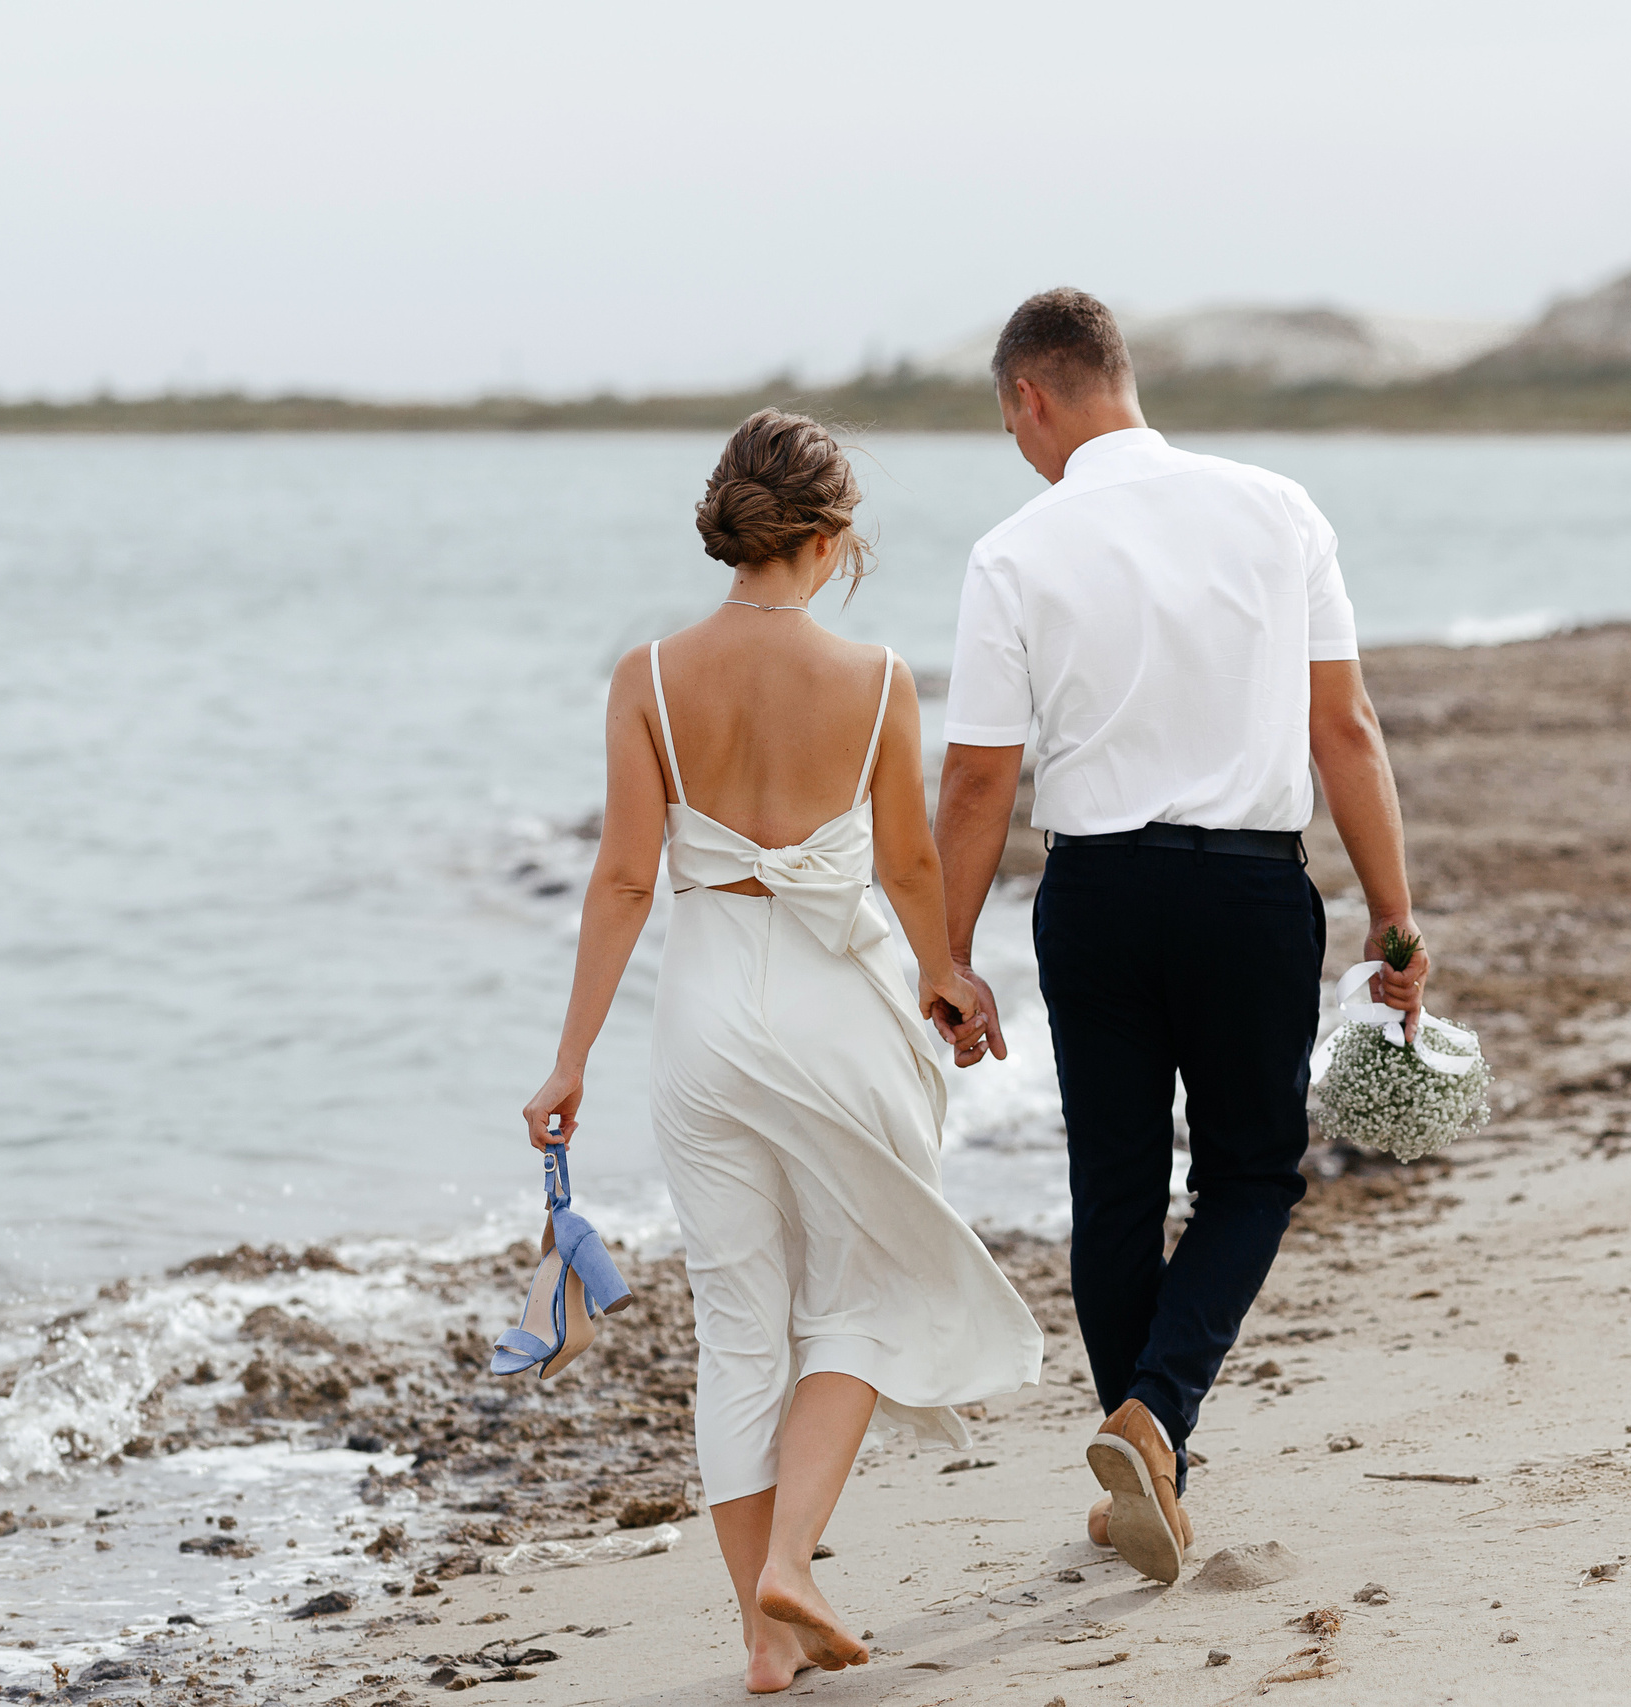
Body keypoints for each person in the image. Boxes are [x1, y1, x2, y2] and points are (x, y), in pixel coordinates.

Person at [521, 410, 1041, 1693]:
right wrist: (946, 977)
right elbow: (912, 863)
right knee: (871, 1292)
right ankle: (792, 1563)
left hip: (699, 1022)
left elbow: (627, 879)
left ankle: (761, 1639)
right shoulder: (874, 681)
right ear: (828, 536)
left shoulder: (646, 676)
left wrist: (568, 1058)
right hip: (832, 1020)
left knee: (742, 1327)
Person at [934, 288, 1428, 1585]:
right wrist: (1395, 914)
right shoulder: (1278, 509)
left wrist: (948, 950)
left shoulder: (1014, 550)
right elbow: (1348, 729)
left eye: (1012, 424)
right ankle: (1151, 1427)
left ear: (1033, 396)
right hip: (1252, 889)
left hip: (1094, 895)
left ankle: (1142, 1451)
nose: (1021, 448)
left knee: (1113, 1186)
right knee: (1253, 1174)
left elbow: (980, 782)